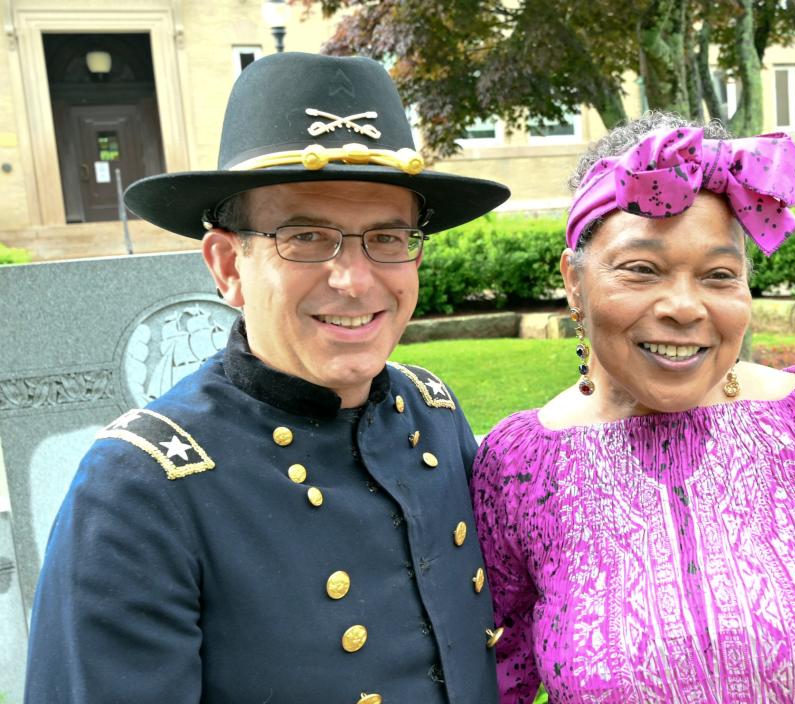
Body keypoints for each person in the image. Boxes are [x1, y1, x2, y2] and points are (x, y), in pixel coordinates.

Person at [25, 53, 510, 703]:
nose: (356, 279)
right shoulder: (138, 489)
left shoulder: (432, 415)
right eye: (307, 236)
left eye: (388, 239)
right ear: (228, 264)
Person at [471, 112, 795, 703]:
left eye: (719, 274)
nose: (684, 306)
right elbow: (500, 672)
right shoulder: (520, 465)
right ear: (574, 282)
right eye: (641, 269)